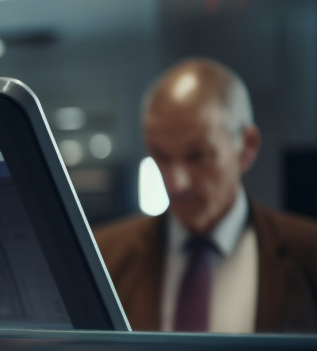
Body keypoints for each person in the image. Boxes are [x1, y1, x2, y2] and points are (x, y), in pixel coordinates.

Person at [96, 58, 317, 332]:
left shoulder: (308, 252)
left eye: (198, 155)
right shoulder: (101, 257)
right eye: (161, 156)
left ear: (247, 146)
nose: (177, 183)